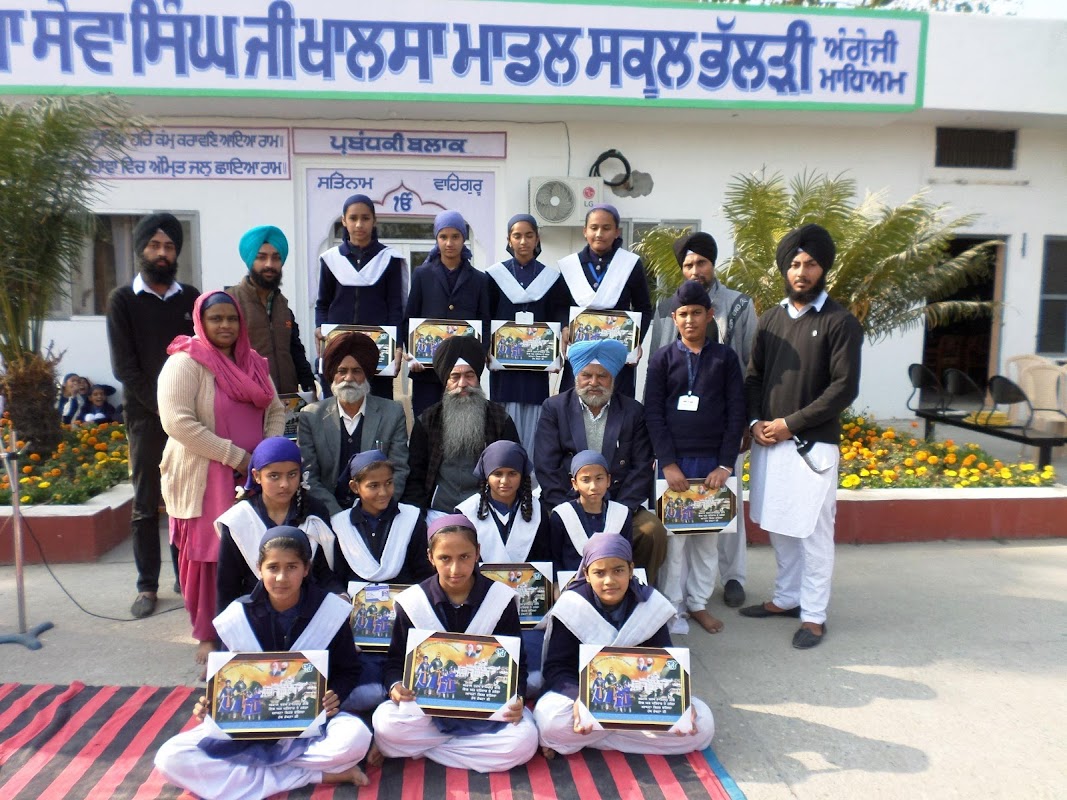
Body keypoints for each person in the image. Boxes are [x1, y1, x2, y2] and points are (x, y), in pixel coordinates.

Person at [154, 527, 372, 797]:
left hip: (309, 723)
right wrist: (210, 704)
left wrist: (334, 694)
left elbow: (349, 670)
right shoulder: (237, 617)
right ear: (259, 568)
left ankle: (252, 773)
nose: (281, 577)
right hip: (251, 726)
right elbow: (229, 679)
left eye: (292, 567)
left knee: (356, 738)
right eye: (273, 567)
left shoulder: (330, 612)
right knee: (170, 758)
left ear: (306, 569)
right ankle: (313, 775)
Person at [741, 224, 863, 650]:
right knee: (780, 525)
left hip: (813, 447)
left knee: (813, 532)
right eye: (794, 264)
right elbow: (754, 377)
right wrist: (755, 422)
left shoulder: (840, 322)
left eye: (810, 264)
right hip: (770, 442)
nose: (801, 271)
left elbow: (843, 389)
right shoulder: (771, 319)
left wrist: (790, 424)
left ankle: (813, 616)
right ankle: (787, 598)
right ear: (785, 269)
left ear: (822, 268)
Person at [159, 291, 285, 667]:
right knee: (208, 556)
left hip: (252, 476)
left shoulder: (253, 362)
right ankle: (208, 635)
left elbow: (276, 410)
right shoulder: (186, 362)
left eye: (232, 318)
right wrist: (237, 457)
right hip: (204, 475)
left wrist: (265, 455)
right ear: (201, 321)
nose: (225, 325)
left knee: (251, 550)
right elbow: (177, 422)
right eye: (216, 319)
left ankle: (248, 627)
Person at [371, 514, 539, 772]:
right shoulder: (413, 602)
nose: (455, 569)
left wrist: (517, 697)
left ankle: (420, 749)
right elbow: (395, 662)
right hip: (429, 711)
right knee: (385, 722)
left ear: (478, 553)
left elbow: (518, 664)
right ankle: (466, 749)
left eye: (464, 557)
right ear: (430, 557)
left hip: (485, 708)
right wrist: (395, 687)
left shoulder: (500, 599)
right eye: (445, 558)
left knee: (523, 742)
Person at [649, 232, 757, 609]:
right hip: (676, 452)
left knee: (717, 524)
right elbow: (655, 403)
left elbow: (749, 373)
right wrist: (665, 458)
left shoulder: (738, 309)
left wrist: (738, 438)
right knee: (675, 537)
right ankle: (674, 604)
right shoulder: (666, 317)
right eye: (688, 264)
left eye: (702, 263)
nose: (695, 270)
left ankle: (723, 585)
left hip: (719, 445)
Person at [533, 533, 714, 758]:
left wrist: (679, 701)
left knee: (702, 724)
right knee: (550, 721)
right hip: (585, 699)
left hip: (639, 700)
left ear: (631, 570)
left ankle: (590, 739)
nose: (609, 580)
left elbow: (665, 665)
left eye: (618, 570)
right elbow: (556, 668)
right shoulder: (572, 606)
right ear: (587, 574)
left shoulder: (651, 605)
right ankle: (625, 735)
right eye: (599, 573)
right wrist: (580, 698)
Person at [106, 212, 199, 618]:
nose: (162, 253)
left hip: (188, 420)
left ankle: (184, 577)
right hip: (145, 418)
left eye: (169, 247)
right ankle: (146, 586)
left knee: (184, 500)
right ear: (141, 250)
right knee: (146, 505)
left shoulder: (190, 298)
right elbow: (124, 368)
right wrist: (165, 410)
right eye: (155, 245)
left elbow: (200, 356)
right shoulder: (122, 300)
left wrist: (184, 412)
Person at [534, 338, 667, 584]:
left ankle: (638, 593)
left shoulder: (633, 412)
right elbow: (546, 466)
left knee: (652, 531)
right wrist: (571, 511)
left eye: (602, 376)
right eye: (587, 375)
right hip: (567, 501)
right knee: (540, 528)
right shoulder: (555, 408)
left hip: (618, 502)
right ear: (577, 376)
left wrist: (618, 513)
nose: (594, 382)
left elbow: (641, 468)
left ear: (612, 378)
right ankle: (557, 593)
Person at [328, 449, 432, 710]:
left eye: (388, 483)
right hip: (358, 630)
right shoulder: (340, 525)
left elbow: (423, 572)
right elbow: (336, 577)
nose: (383, 492)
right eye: (373, 486)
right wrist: (343, 600)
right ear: (355, 487)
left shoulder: (412, 519)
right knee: (364, 693)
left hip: (404, 621)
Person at [456, 440, 548, 694]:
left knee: (533, 677)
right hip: (481, 605)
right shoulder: (465, 513)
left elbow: (546, 560)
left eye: (512, 473)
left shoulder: (539, 512)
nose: (504, 481)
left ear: (523, 476)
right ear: (486, 475)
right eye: (497, 474)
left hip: (528, 611)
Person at [485, 214, 572, 460]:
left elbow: (559, 311)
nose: (523, 241)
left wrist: (563, 331)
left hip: (537, 364)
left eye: (529, 235)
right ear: (509, 240)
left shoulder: (551, 278)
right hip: (504, 365)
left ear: (537, 239)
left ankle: (532, 473)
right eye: (517, 236)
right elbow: (486, 313)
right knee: (503, 411)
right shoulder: (494, 276)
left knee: (535, 411)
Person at [402, 334, 519, 519]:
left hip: (487, 512)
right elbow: (415, 475)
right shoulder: (428, 420)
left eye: (469, 376)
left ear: (478, 377)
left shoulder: (499, 419)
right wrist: (417, 517)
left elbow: (514, 469)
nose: (463, 384)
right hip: (437, 512)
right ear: (445, 381)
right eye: (455, 377)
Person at [215, 437, 335, 613]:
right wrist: (227, 625)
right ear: (256, 476)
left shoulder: (315, 512)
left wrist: (340, 596)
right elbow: (228, 584)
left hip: (311, 610)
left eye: (292, 474)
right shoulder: (238, 519)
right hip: (255, 612)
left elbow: (324, 572)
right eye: (274, 476)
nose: (284, 484)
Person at [297, 331, 409, 518]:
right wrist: (337, 517)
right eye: (342, 371)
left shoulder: (392, 413)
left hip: (377, 512)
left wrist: (372, 512)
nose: (348, 378)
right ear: (333, 375)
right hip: (327, 513)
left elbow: (399, 470)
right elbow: (309, 477)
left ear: (366, 375)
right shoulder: (311, 416)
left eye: (356, 371)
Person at [315, 194, 408, 400]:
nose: (359, 224)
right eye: (353, 218)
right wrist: (320, 328)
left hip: (378, 350)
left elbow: (395, 308)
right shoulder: (331, 260)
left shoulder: (389, 259)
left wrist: (398, 344)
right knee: (337, 408)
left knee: (377, 410)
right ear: (344, 221)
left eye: (365, 218)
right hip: (337, 348)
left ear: (374, 221)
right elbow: (322, 304)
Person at [556, 204, 653, 399]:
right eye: (594, 228)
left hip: (617, 354)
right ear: (585, 231)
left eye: (606, 228)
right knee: (575, 405)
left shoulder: (630, 264)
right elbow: (559, 305)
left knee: (618, 405)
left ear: (617, 232)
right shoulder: (571, 265)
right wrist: (565, 326)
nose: (599, 234)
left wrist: (635, 341)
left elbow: (644, 307)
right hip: (580, 353)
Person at [402, 210, 490, 417]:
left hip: (462, 375)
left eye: (455, 236)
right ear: (436, 239)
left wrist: (477, 359)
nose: (449, 243)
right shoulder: (422, 274)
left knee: (464, 425)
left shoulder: (479, 279)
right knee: (427, 423)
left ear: (463, 238)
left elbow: (484, 322)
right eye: (443, 237)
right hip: (427, 372)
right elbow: (409, 317)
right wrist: (413, 354)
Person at [227, 225, 316, 397]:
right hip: (248, 399)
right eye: (261, 257)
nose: (269, 264)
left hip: (286, 399)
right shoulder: (231, 302)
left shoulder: (282, 305)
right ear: (250, 261)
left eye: (276, 258)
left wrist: (308, 384)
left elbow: (295, 350)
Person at [547, 450, 632, 574]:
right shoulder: (562, 515)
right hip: (571, 581)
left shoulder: (621, 514)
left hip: (610, 581)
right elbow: (555, 558)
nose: (593, 486)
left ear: (608, 480)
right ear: (575, 483)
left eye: (599, 478)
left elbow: (626, 556)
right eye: (585, 480)